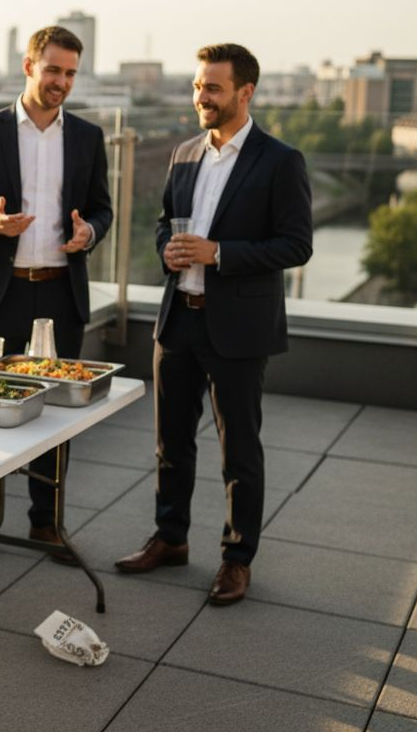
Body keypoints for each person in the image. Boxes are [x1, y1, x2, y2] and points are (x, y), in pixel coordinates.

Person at [113, 43, 312, 606]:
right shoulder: (183, 154)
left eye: (214, 88)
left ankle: (236, 558)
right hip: (179, 322)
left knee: (239, 451)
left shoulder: (279, 161)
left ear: (245, 93)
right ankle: (170, 539)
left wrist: (218, 252)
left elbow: (296, 245)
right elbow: (162, 227)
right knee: (170, 444)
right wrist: (170, 253)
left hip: (239, 330)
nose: (202, 96)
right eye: (198, 86)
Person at [0, 25, 112, 566]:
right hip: (1, 294)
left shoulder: (87, 136)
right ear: (28, 66)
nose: (61, 81)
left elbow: (102, 208)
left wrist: (92, 233)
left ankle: (46, 522)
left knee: (58, 412)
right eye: (53, 70)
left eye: (70, 73)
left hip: (62, 292)